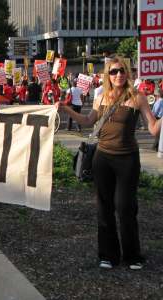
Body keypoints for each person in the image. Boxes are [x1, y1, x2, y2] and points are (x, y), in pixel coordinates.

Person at [56, 56, 162, 270]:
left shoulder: (138, 98)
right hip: (102, 158)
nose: (118, 75)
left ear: (128, 73)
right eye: (113, 71)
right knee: (104, 208)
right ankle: (107, 255)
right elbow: (87, 122)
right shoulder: (101, 97)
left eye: (122, 70)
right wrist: (66, 110)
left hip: (128, 160)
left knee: (125, 208)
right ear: (108, 75)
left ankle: (132, 255)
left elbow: (153, 129)